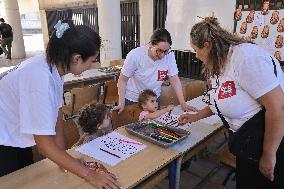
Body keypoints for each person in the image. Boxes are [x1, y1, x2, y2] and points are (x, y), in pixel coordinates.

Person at [0, 20, 122, 189]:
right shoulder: (39, 79)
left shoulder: (55, 68)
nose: (92, 65)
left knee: (26, 180)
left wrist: (65, 160)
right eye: (92, 60)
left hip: (13, 132)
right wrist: (88, 174)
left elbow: (57, 118)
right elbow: (44, 145)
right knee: (13, 182)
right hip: (3, 138)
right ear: (77, 58)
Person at [178, 17, 284, 189]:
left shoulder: (245, 58)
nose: (196, 56)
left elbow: (278, 108)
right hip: (246, 145)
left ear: (207, 45)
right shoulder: (219, 63)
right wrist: (195, 117)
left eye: (196, 50)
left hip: (270, 142)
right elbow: (219, 100)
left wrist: (269, 154)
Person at [114, 28, 197, 114]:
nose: (162, 55)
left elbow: (174, 80)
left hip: (154, 100)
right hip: (134, 100)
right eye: (159, 51)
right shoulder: (135, 55)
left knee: (154, 125)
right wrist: (121, 102)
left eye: (165, 51)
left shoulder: (169, 55)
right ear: (151, 44)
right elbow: (122, 80)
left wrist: (183, 103)